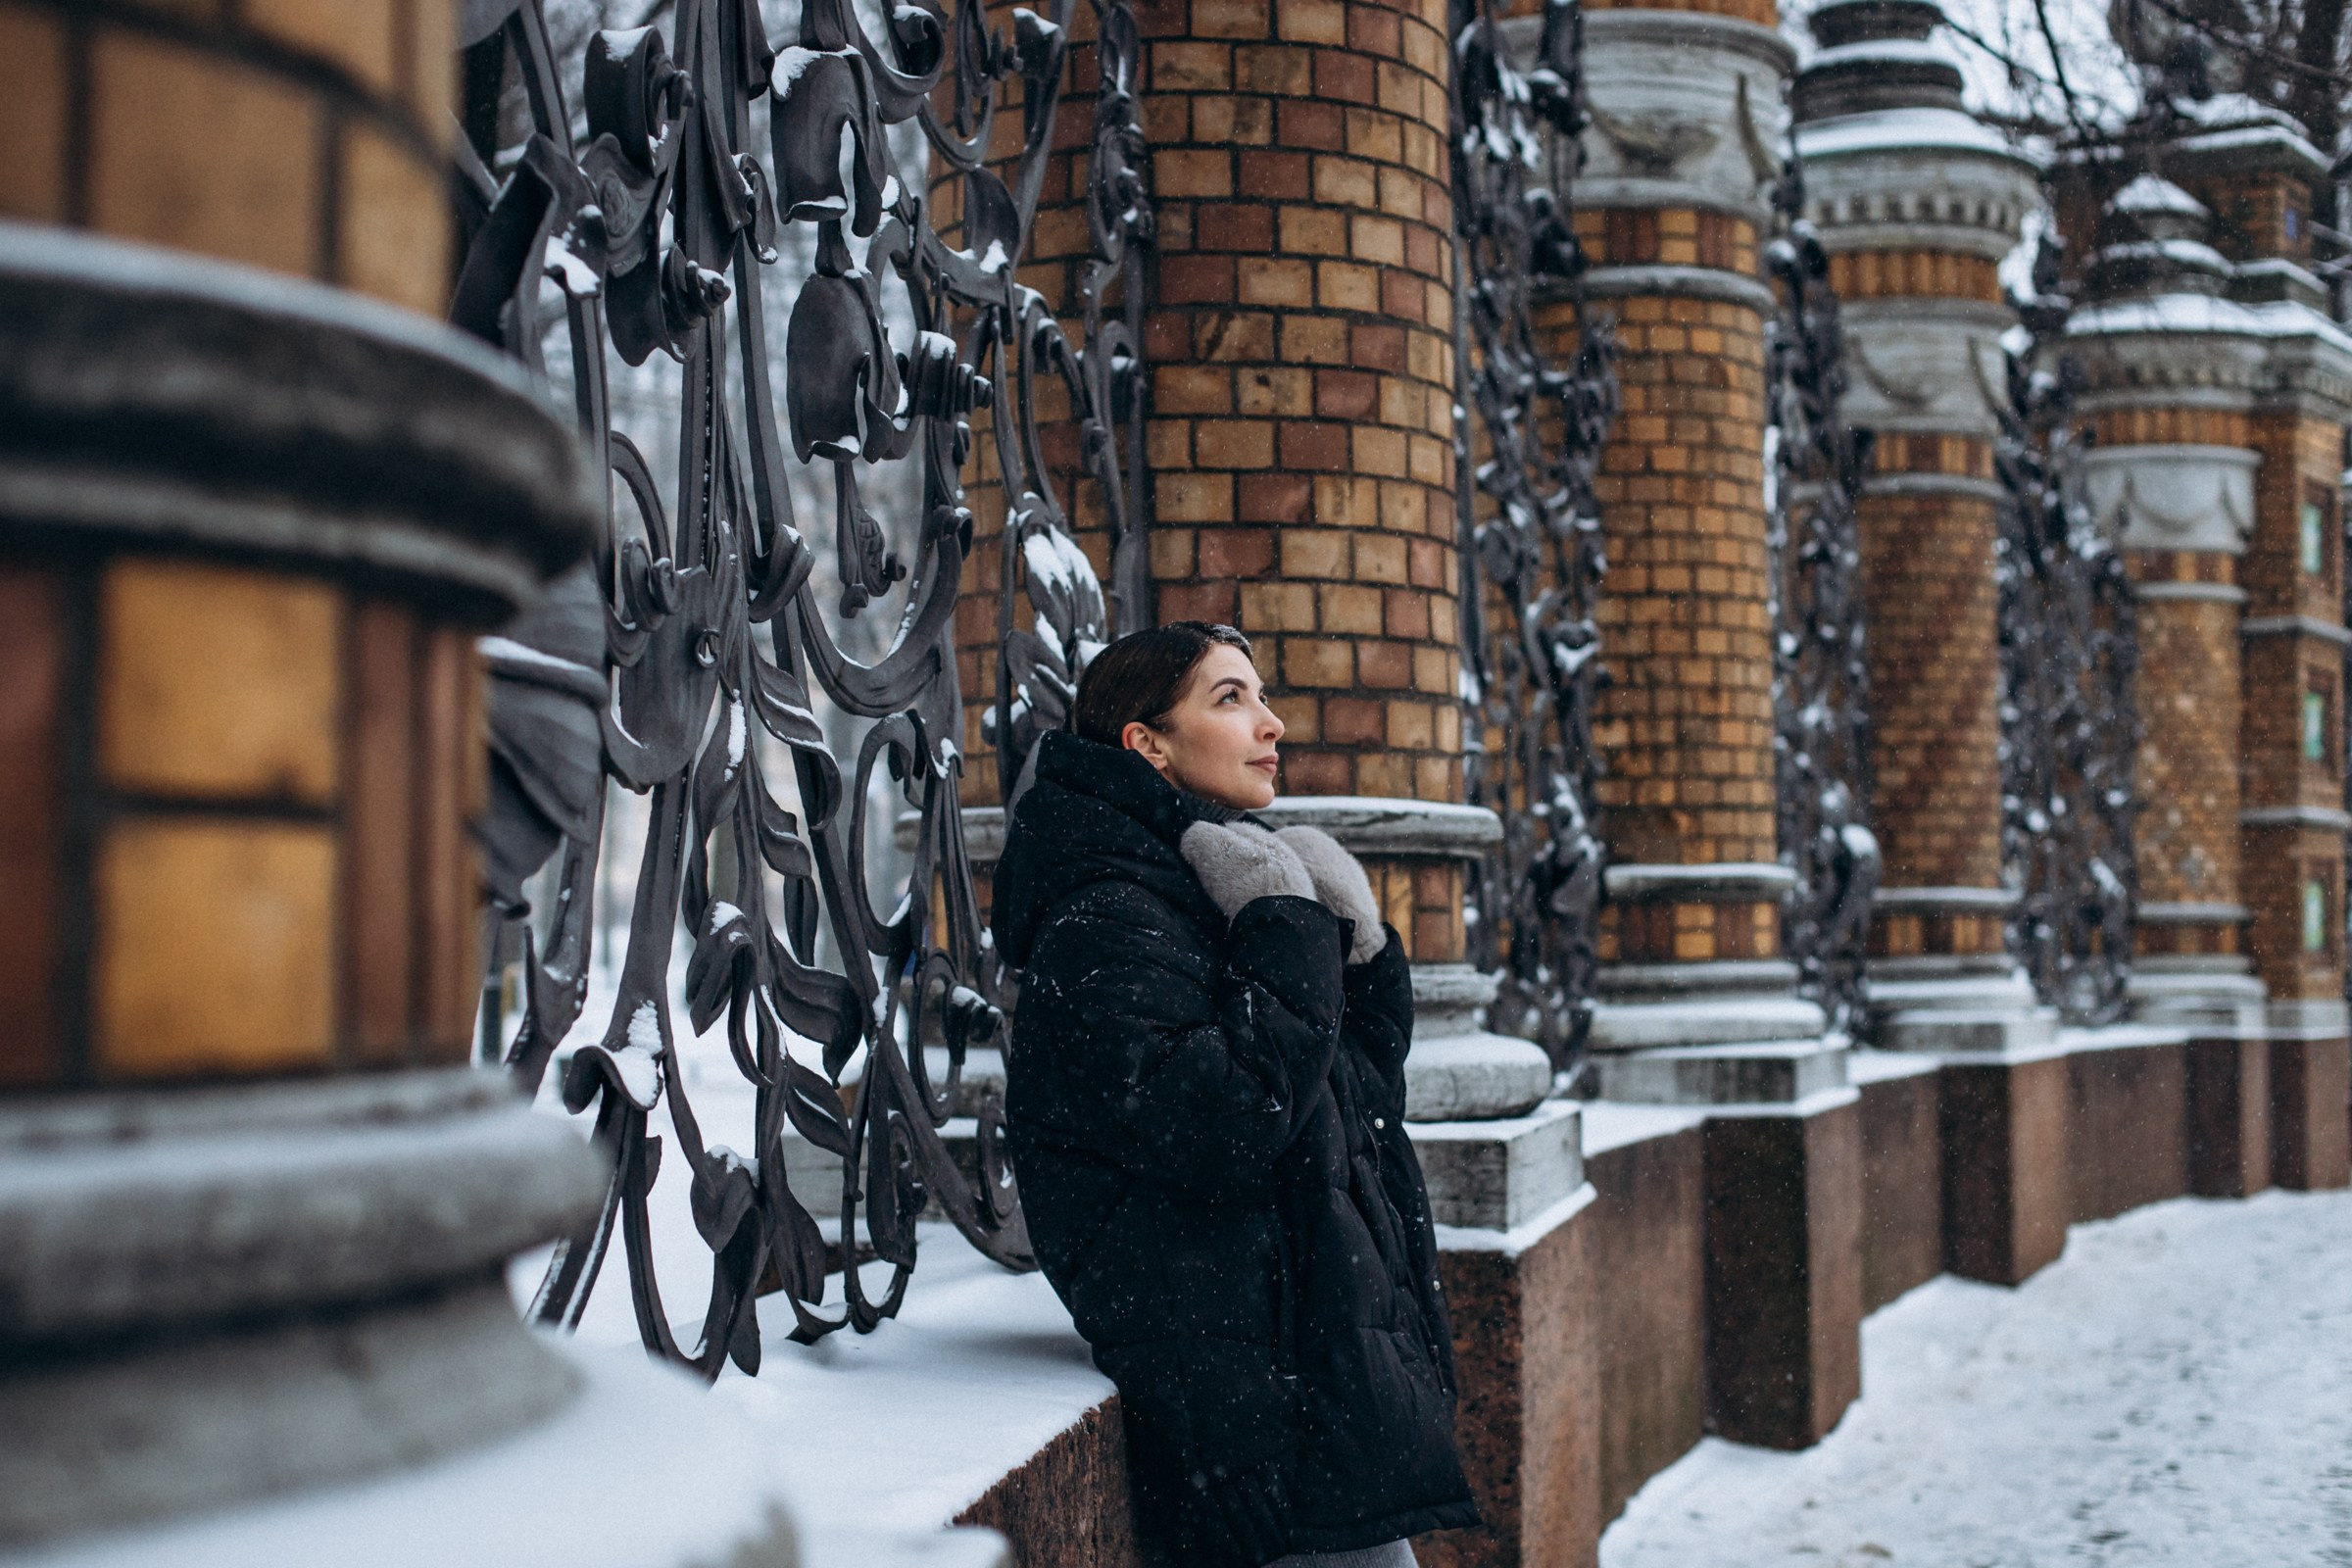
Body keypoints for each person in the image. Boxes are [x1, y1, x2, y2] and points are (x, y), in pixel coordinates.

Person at [993, 621, 1479, 1568]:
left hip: (1304, 1379)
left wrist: (1355, 945)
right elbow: (1223, 1123)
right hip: (1247, 1413)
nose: (1272, 722)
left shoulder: (1200, 884)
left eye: (1261, 695)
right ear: (1148, 743)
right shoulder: (1106, 914)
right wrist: (1285, 925)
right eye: (1231, 699)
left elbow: (1355, 1107)